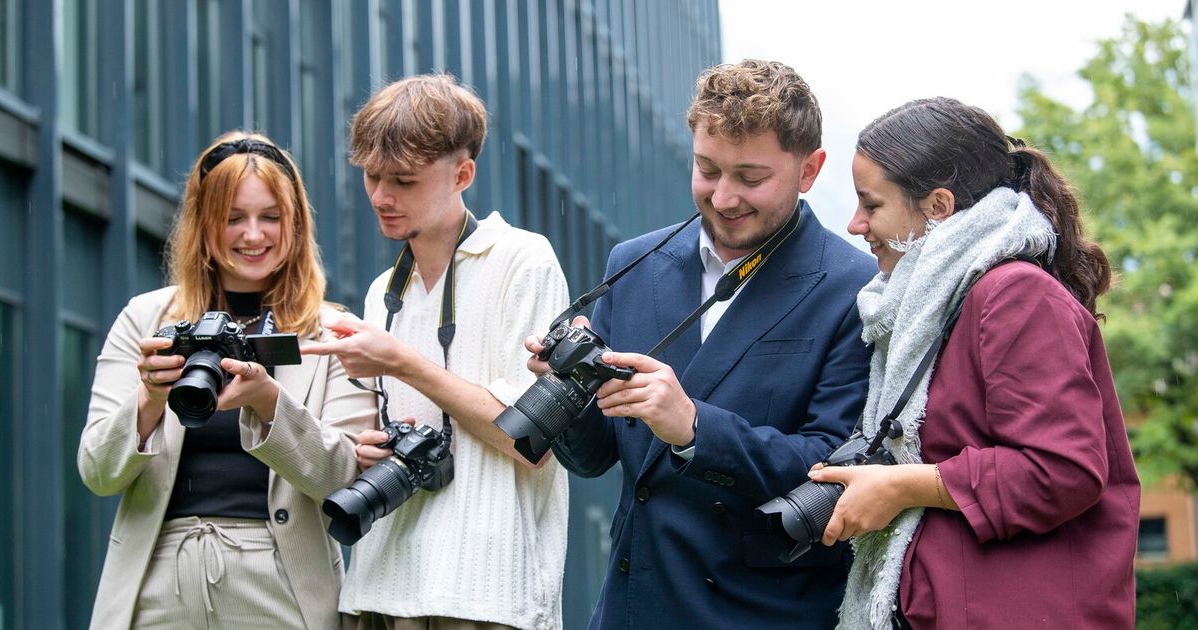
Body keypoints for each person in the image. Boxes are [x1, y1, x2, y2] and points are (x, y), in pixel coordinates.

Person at [525, 59, 876, 629]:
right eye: (707, 170)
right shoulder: (632, 265)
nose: (724, 197)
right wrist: (564, 386)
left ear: (810, 169)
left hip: (761, 614)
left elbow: (835, 467)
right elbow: (593, 460)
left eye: (751, 177)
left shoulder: (855, 289)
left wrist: (692, 428)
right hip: (630, 609)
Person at [810, 97, 1139, 629]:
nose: (854, 224)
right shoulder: (933, 307)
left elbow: (1065, 469)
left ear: (937, 206)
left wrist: (903, 486)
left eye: (871, 205)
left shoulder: (1015, 295)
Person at [78, 131, 378, 629]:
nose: (253, 235)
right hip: (157, 581)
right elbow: (99, 472)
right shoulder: (147, 320)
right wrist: (150, 399)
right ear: (203, 225)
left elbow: (344, 479)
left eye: (271, 217)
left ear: (296, 224)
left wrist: (270, 404)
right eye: (233, 218)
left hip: (282, 582)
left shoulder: (332, 334)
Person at [301, 74, 569, 630]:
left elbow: (530, 441)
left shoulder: (523, 259)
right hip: (380, 588)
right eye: (372, 177)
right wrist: (370, 444)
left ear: (463, 173)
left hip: (488, 595)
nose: (380, 196)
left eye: (403, 180)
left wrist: (399, 361)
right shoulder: (383, 291)